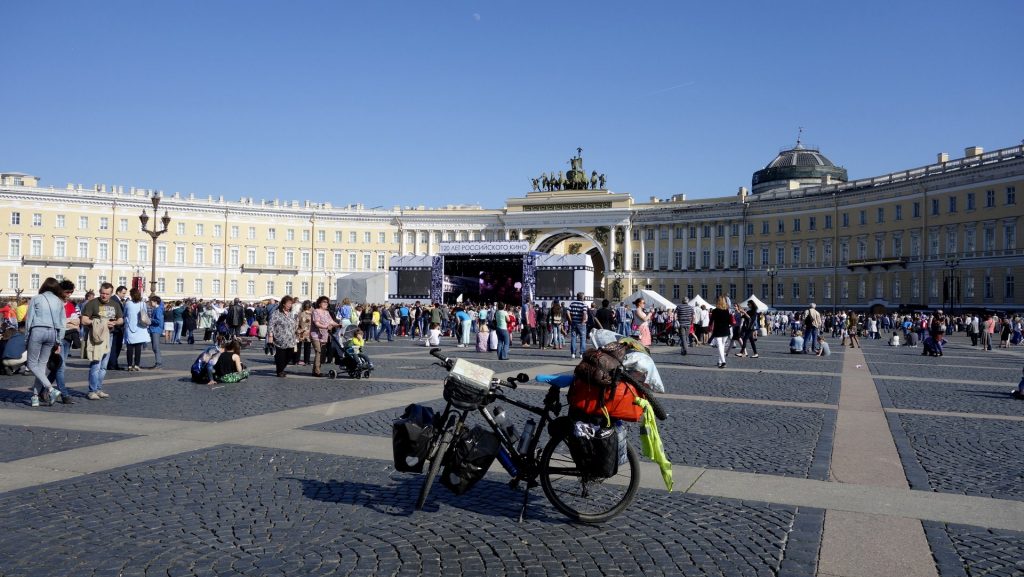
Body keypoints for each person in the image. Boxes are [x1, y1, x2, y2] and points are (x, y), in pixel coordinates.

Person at [24, 277, 67, 407]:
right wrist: (59, 340)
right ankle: (35, 397)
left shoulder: (37, 298)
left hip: (38, 330)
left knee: (31, 364)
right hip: (52, 333)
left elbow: (29, 319)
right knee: (41, 365)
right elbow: (63, 323)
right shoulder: (59, 302)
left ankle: (50, 389)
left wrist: (27, 336)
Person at [81, 282, 124, 400]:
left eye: (107, 294)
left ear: (111, 294)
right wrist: (98, 323)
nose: (104, 296)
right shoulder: (92, 303)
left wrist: (115, 322)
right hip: (96, 337)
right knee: (96, 364)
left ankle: (99, 389)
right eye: (102, 293)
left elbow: (121, 319)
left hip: (109, 336)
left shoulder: (115, 304)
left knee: (104, 366)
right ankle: (92, 390)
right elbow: (84, 320)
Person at [48, 280, 78, 403]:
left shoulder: (70, 305)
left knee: (58, 367)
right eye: (67, 292)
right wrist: (68, 322)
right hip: (56, 339)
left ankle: (42, 390)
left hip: (68, 338)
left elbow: (77, 322)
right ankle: (64, 394)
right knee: (60, 366)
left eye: (71, 292)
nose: (69, 295)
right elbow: (56, 323)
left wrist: (67, 322)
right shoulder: (55, 304)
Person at [267, 295, 297, 377]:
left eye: (291, 303)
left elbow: (294, 324)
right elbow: (271, 325)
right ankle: (280, 371)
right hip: (279, 339)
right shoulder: (277, 313)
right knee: (280, 356)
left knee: (290, 355)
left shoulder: (291, 314)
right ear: (284, 304)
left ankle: (281, 368)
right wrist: (270, 336)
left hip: (290, 339)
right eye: (289, 303)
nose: (290, 305)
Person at [122, 288, 150, 371]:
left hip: (130, 327)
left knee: (129, 348)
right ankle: (137, 365)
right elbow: (145, 313)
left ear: (131, 295)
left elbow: (125, 314)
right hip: (140, 327)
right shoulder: (143, 304)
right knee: (138, 348)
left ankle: (130, 365)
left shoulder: (128, 303)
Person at [310, 296, 337, 378]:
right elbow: (316, 323)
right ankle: (317, 371)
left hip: (324, 335)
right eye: (324, 302)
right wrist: (326, 327)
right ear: (319, 303)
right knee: (318, 351)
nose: (326, 303)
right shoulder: (316, 311)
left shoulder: (326, 312)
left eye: (327, 302)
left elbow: (331, 321)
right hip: (315, 335)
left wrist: (338, 325)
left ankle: (315, 370)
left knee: (322, 353)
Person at [107, 285, 128, 370]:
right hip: (115, 328)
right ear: (118, 292)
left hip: (118, 327)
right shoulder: (114, 300)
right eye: (123, 293)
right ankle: (112, 364)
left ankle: (114, 363)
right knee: (114, 347)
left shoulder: (118, 300)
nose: (124, 295)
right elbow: (111, 314)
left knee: (117, 346)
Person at [708, 296, 733, 368]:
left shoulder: (715, 311)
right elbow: (729, 321)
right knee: (722, 346)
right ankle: (720, 361)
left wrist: (709, 327)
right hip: (725, 330)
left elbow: (711, 321)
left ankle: (723, 362)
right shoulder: (727, 310)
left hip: (718, 330)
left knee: (720, 346)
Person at [567, 292, 589, 359]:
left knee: (573, 338)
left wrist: (570, 320)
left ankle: (573, 353)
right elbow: (584, 313)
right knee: (582, 338)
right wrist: (583, 321)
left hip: (574, 323)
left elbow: (567, 312)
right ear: (582, 297)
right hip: (581, 324)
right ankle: (582, 353)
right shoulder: (583, 304)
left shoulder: (572, 304)